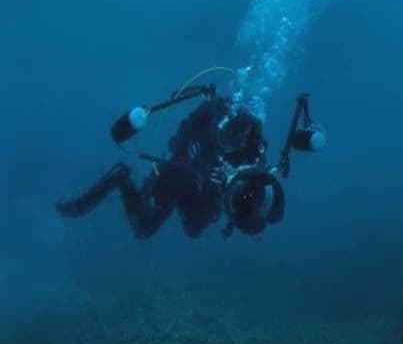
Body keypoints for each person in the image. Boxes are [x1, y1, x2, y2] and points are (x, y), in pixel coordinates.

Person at [55, 94, 278, 239]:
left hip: (209, 190)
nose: (230, 145)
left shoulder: (255, 146)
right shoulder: (213, 114)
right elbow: (180, 138)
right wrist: (198, 162)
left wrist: (251, 215)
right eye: (226, 138)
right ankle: (119, 178)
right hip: (180, 174)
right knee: (144, 228)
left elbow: (260, 183)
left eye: (236, 140)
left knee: (193, 230)